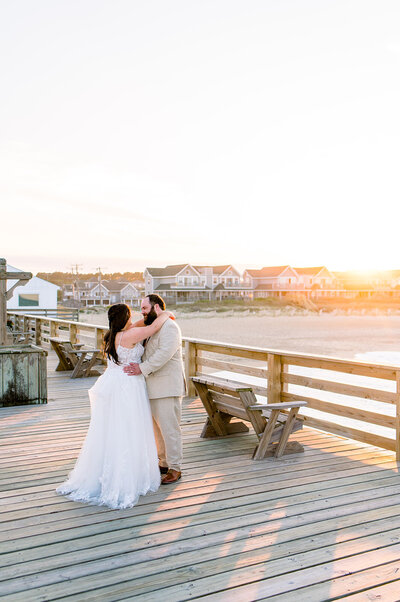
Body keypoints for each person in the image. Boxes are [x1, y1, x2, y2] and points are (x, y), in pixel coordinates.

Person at [56, 303, 172, 509]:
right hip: (128, 386)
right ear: (124, 318)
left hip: (114, 383)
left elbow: (141, 323)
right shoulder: (130, 336)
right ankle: (126, 477)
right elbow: (153, 329)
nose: (134, 316)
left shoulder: (113, 335)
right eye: (130, 314)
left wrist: (144, 317)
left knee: (113, 429)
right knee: (129, 428)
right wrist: (167, 313)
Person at [123, 294, 186, 484]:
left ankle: (176, 468)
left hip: (167, 387)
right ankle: (164, 462)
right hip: (151, 387)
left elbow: (164, 354)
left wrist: (141, 369)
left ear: (156, 307)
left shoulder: (170, 327)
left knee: (170, 429)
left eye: (144, 308)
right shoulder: (152, 325)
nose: (141, 312)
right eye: (141, 308)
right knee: (157, 430)